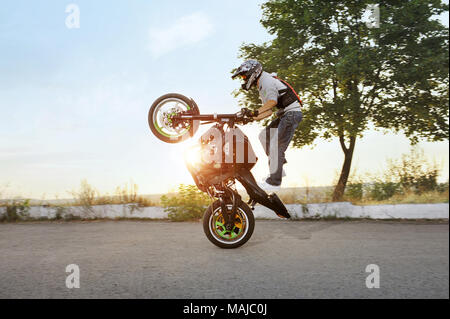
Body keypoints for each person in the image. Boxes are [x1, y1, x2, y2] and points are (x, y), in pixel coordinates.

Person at [232, 59, 303, 191]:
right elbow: (268, 111)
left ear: (252, 72)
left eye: (243, 76)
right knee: (264, 136)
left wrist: (254, 112)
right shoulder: (262, 84)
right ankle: (278, 169)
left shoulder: (267, 81)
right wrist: (250, 118)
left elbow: (272, 102)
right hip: (285, 115)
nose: (243, 79)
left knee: (276, 145)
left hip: (291, 114)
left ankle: (274, 183)